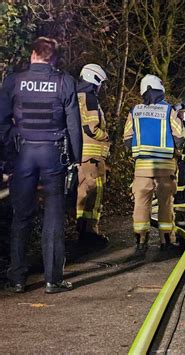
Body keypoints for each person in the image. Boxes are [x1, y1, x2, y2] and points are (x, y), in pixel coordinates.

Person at [0, 37, 82, 293]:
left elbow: (2, 122)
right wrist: (76, 160)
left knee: (21, 216)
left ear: (33, 53)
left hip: (23, 153)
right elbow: (73, 126)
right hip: (53, 154)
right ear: (54, 58)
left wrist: (8, 159)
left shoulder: (13, 81)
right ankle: (52, 279)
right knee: (54, 216)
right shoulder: (64, 81)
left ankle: (16, 278)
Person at [123, 74, 185, 254]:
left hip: (142, 168)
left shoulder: (134, 111)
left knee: (141, 204)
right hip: (165, 167)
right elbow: (179, 137)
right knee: (166, 203)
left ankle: (140, 241)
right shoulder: (168, 111)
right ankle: (166, 241)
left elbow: (127, 139)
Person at [76, 64, 110, 245]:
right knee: (95, 193)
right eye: (100, 83)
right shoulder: (89, 98)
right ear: (94, 80)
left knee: (82, 192)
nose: (100, 88)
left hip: (81, 155)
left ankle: (81, 228)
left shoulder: (75, 97)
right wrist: (105, 136)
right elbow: (90, 127)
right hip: (93, 156)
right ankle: (90, 231)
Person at [173, 103, 185, 204]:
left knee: (181, 177)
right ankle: (175, 198)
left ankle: (180, 198)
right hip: (174, 155)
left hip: (182, 155)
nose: (183, 115)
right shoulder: (173, 122)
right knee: (173, 176)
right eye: (182, 113)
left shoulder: (184, 124)